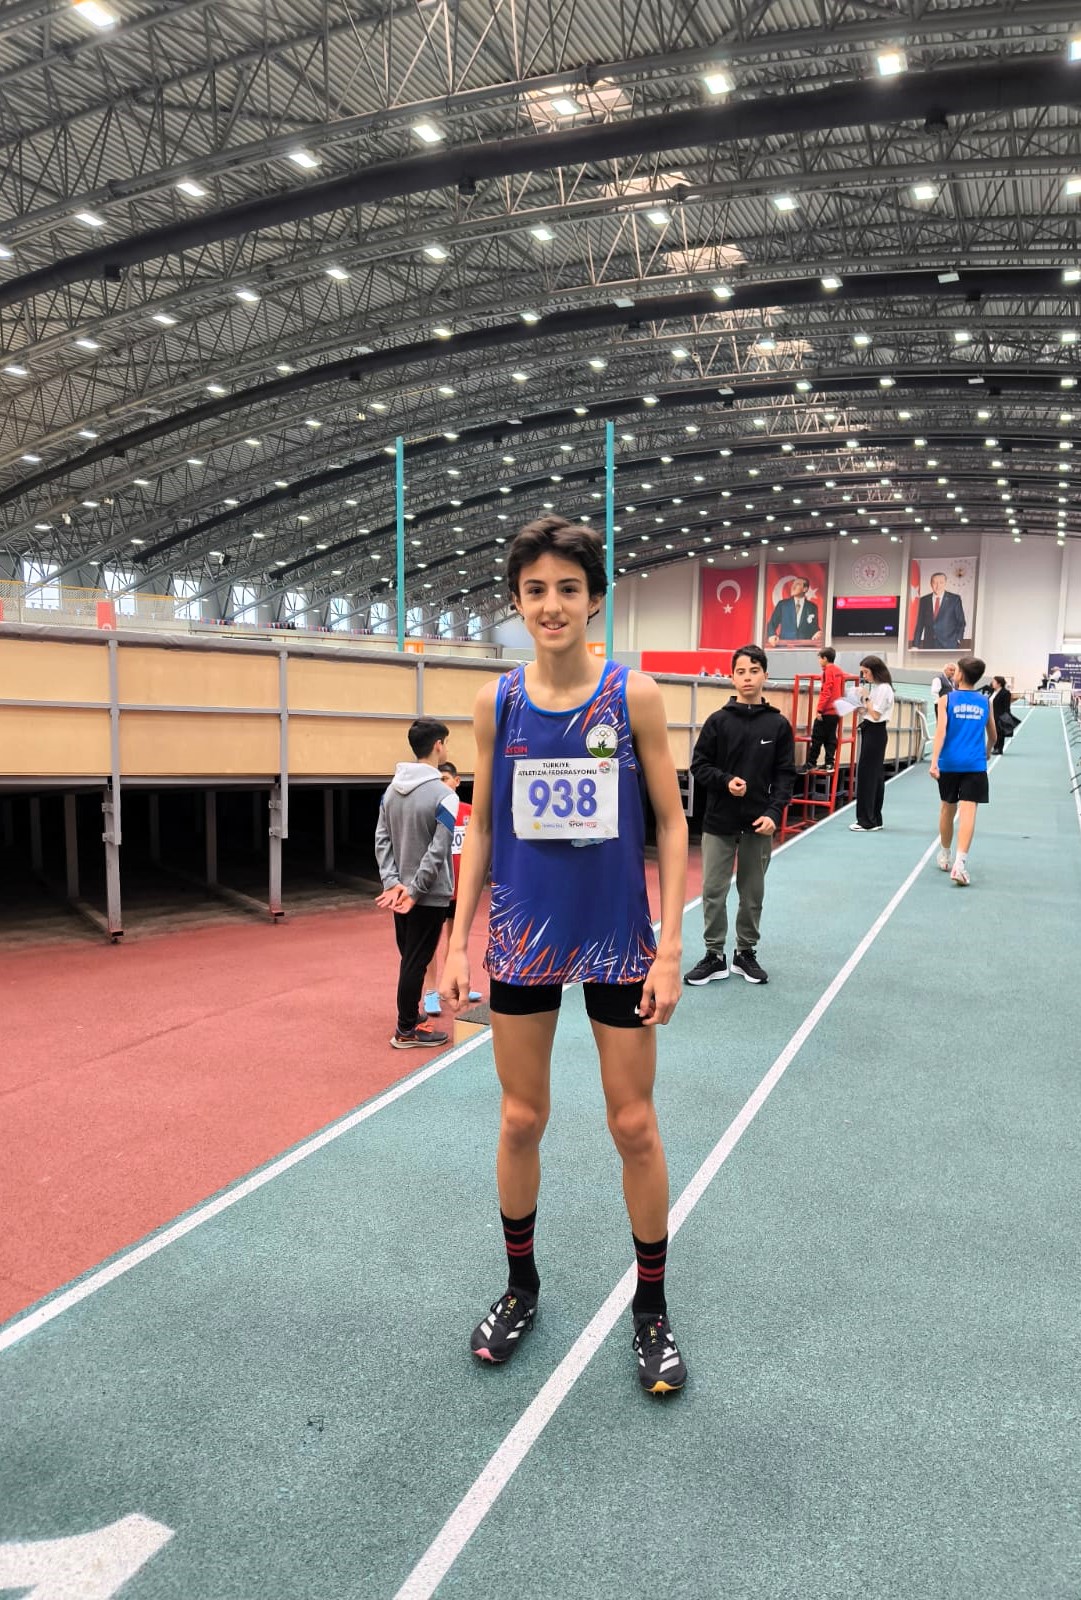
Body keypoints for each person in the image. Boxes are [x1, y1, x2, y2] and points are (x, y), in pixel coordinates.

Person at [440, 516, 690, 1395]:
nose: (552, 605)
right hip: (522, 938)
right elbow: (480, 827)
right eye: (535, 590)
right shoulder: (496, 704)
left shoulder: (633, 696)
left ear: (594, 601)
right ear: (516, 602)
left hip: (618, 938)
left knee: (633, 1125)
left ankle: (651, 1308)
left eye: (568, 589)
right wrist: (456, 942)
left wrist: (668, 948)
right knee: (519, 1119)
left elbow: (670, 822)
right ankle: (521, 1288)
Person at [683, 643, 796, 988]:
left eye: (754, 671)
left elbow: (785, 774)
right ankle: (714, 955)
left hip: (759, 825)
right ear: (732, 678)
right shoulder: (718, 721)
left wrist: (774, 812)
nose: (747, 677)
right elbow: (699, 765)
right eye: (741, 672)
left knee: (752, 894)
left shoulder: (778, 725)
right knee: (713, 890)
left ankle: (745, 953)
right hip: (718, 823)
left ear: (765, 675)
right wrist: (725, 781)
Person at [374, 718, 458, 1049]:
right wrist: (417, 888)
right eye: (446, 743)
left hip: (400, 894)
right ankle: (406, 1029)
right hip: (428, 895)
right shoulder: (445, 795)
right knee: (416, 962)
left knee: (409, 958)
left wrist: (393, 882)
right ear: (438, 745)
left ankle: (410, 1017)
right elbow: (438, 850)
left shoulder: (391, 792)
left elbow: (382, 838)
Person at [422, 762, 483, 1015]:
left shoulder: (470, 813)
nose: (442, 783)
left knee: (456, 939)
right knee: (430, 943)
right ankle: (430, 992)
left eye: (446, 778)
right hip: (438, 889)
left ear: (457, 781)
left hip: (461, 889)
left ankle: (456, 985)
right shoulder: (433, 812)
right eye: (438, 779)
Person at [930, 655, 996, 886]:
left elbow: (940, 732)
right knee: (968, 812)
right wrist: (987, 751)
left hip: (949, 763)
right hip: (974, 765)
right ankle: (960, 864)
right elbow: (993, 735)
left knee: (947, 809)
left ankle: (945, 854)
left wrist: (934, 761)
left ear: (959, 674)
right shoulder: (985, 702)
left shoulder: (945, 700)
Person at [849, 655, 894, 832]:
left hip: (875, 732)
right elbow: (870, 712)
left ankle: (867, 821)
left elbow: (875, 715)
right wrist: (858, 705)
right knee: (873, 776)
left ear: (875, 671)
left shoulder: (883, 689)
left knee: (868, 776)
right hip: (872, 731)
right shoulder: (878, 688)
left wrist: (866, 698)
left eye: (866, 672)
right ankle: (874, 819)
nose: (864, 676)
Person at [801, 645, 847, 772]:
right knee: (830, 737)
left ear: (825, 658)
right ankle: (829, 764)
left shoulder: (828, 671)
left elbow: (826, 691)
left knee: (817, 736)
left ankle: (811, 762)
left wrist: (819, 709)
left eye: (820, 658)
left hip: (827, 710)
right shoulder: (838, 671)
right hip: (836, 710)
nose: (819, 661)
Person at [911, 572, 966, 650]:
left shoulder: (954, 599)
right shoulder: (924, 600)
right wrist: (915, 645)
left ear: (945, 583)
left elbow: (961, 622)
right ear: (931, 584)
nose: (938, 586)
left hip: (949, 645)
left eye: (941, 582)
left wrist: (958, 639)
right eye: (935, 583)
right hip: (929, 645)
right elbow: (920, 624)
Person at [766, 575, 822, 646]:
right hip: (785, 646)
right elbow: (772, 623)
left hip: (805, 647)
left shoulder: (812, 607)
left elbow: (814, 627)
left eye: (797, 584)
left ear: (805, 589)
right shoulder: (782, 605)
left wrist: (818, 633)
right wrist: (771, 635)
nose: (793, 587)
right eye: (793, 584)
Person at [990, 676, 1015, 755]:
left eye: (994, 682)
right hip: (991, 715)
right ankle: (995, 747)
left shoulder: (1005, 693)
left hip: (999, 715)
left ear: (999, 683)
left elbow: (1006, 707)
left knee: (999, 732)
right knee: (992, 732)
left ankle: (999, 748)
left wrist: (1006, 718)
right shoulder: (992, 692)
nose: (992, 683)